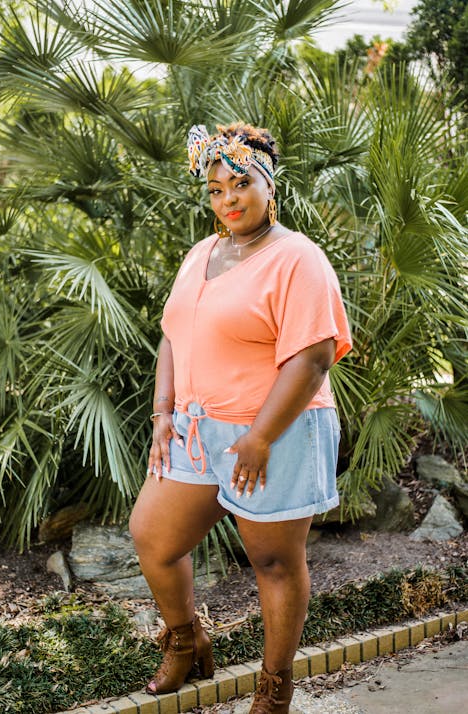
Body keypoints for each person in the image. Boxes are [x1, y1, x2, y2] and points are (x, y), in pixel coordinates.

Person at [129, 122, 352, 713]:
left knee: (274, 562)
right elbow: (175, 335)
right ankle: (187, 641)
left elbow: (313, 358)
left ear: (269, 185)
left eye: (240, 183)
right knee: (153, 538)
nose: (228, 199)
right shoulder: (201, 254)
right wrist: (162, 413)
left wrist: (259, 437)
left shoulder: (298, 258)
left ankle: (275, 689)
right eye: (215, 189)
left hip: (273, 435)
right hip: (197, 431)